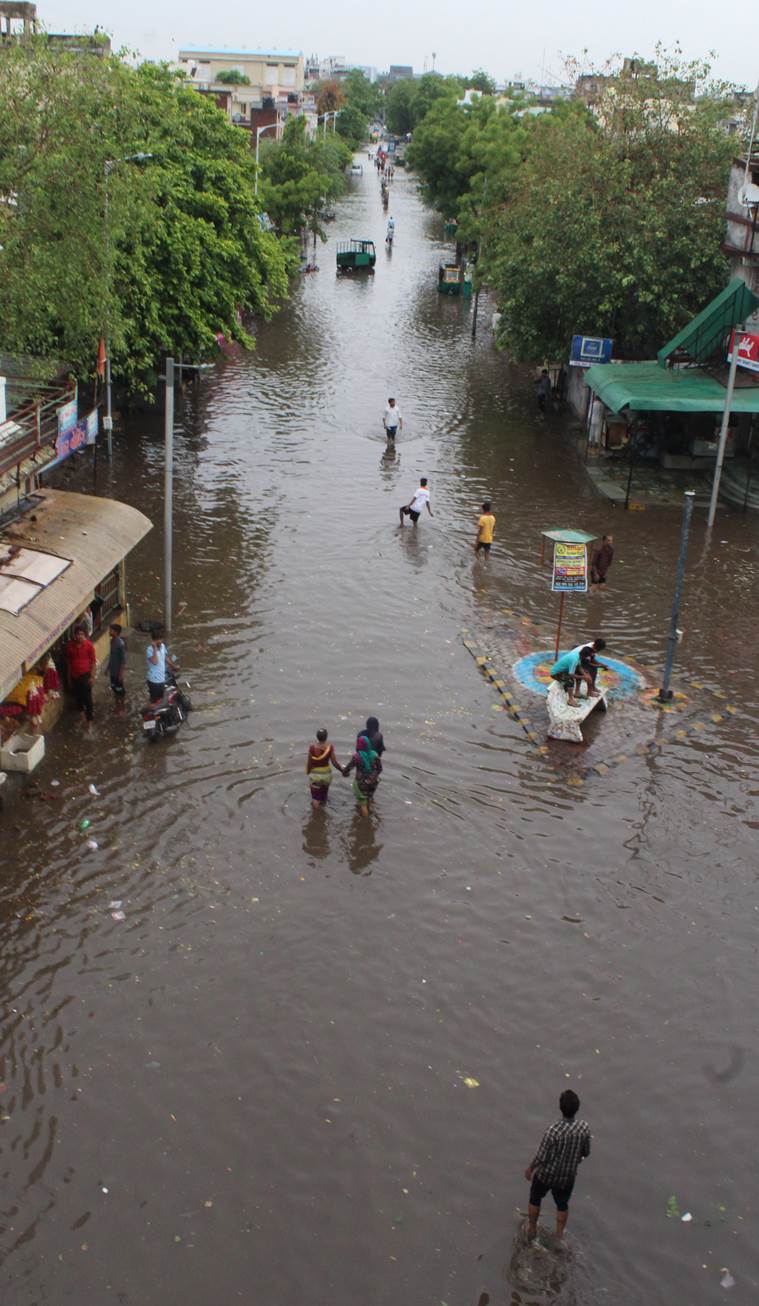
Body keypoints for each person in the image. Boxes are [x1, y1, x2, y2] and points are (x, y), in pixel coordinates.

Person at [524, 1089, 591, 1240]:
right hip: (567, 1176)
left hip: (547, 1174)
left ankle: (532, 1229)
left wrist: (530, 1168)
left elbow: (541, 1157)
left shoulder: (553, 1131)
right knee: (562, 1204)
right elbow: (586, 1152)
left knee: (535, 1197)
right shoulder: (584, 1128)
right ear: (577, 1108)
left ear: (560, 1107)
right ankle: (559, 1236)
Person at [305, 728, 346, 811]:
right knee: (324, 795)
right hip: (326, 776)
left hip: (315, 777)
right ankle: (323, 811)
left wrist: (308, 771)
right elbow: (334, 763)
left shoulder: (312, 748)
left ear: (317, 737)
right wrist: (343, 770)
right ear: (326, 737)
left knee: (315, 798)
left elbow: (309, 762)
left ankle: (316, 817)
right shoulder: (329, 748)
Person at [66, 622, 96, 729]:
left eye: (82, 634)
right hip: (75, 676)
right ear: (75, 635)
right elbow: (69, 662)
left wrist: (92, 677)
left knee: (87, 699)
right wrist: (69, 677)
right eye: (78, 634)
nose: (79, 636)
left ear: (85, 635)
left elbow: (93, 662)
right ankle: (81, 717)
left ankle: (89, 722)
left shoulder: (89, 646)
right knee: (78, 698)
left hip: (85, 676)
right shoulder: (70, 646)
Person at [343, 734, 382, 817]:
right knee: (368, 798)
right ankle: (369, 813)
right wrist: (371, 778)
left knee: (363, 804)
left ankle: (365, 823)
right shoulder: (375, 755)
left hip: (361, 784)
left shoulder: (357, 757)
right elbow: (379, 769)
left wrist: (345, 773)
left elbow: (348, 768)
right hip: (373, 783)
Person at [145, 626, 176, 703]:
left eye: (161, 639)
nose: (160, 641)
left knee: (161, 700)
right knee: (155, 701)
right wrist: (155, 648)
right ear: (153, 640)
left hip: (162, 679)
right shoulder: (149, 649)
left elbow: (165, 658)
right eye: (157, 639)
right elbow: (155, 661)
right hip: (154, 680)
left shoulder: (162, 646)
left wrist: (173, 666)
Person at [107, 622, 127, 711]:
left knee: (120, 690)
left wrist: (121, 674)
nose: (109, 631)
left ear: (116, 632)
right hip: (112, 672)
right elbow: (111, 657)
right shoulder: (112, 642)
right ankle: (117, 706)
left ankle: (122, 707)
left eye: (111, 630)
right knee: (114, 688)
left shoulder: (120, 644)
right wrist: (107, 668)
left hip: (117, 672)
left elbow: (123, 661)